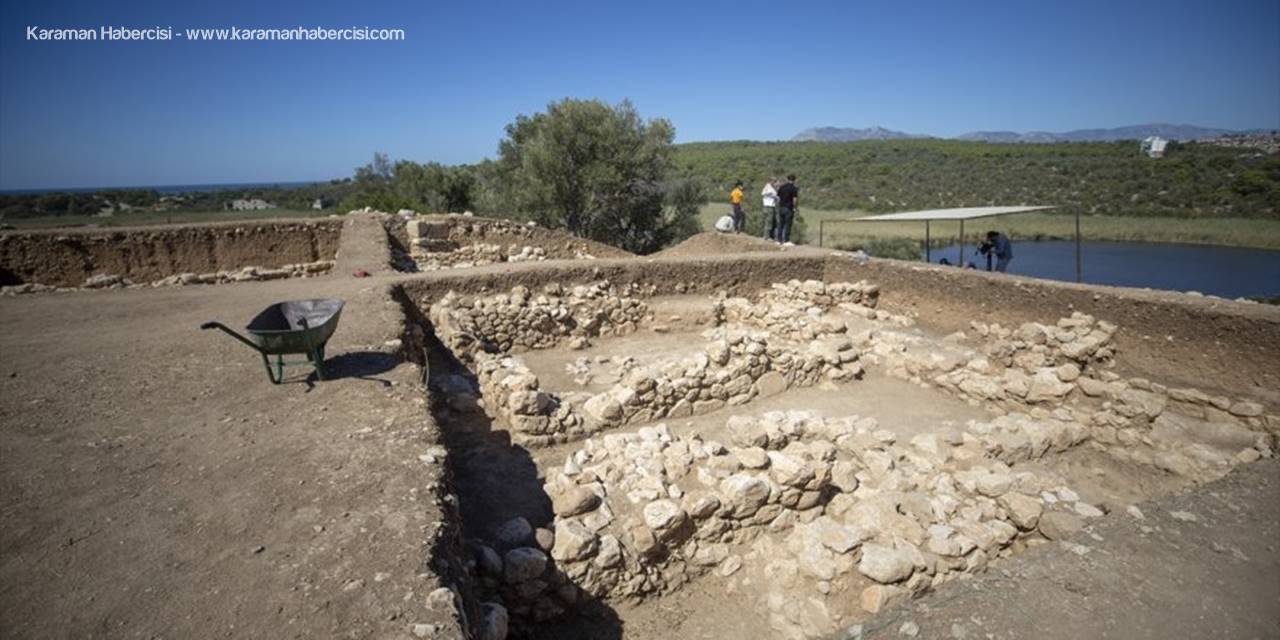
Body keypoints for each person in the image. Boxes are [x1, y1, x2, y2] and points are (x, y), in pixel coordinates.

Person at [775, 174, 799, 244]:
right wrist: (795, 208)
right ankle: (786, 240)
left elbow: (778, 198)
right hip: (789, 208)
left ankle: (779, 240)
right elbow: (794, 200)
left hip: (781, 207)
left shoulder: (782, 187)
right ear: (794, 180)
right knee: (788, 224)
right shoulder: (794, 188)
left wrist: (779, 206)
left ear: (787, 179)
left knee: (780, 224)